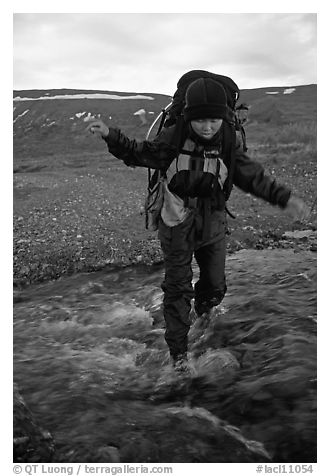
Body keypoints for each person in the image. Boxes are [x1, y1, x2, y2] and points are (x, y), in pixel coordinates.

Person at [86, 77, 310, 371]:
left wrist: (285, 198)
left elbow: (252, 177)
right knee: (178, 289)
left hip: (214, 219)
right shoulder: (173, 137)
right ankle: (179, 357)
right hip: (176, 219)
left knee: (215, 286)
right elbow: (139, 153)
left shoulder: (229, 141)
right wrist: (111, 136)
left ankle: (205, 322)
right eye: (200, 121)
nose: (207, 127)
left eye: (214, 121)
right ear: (189, 118)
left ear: (224, 118)